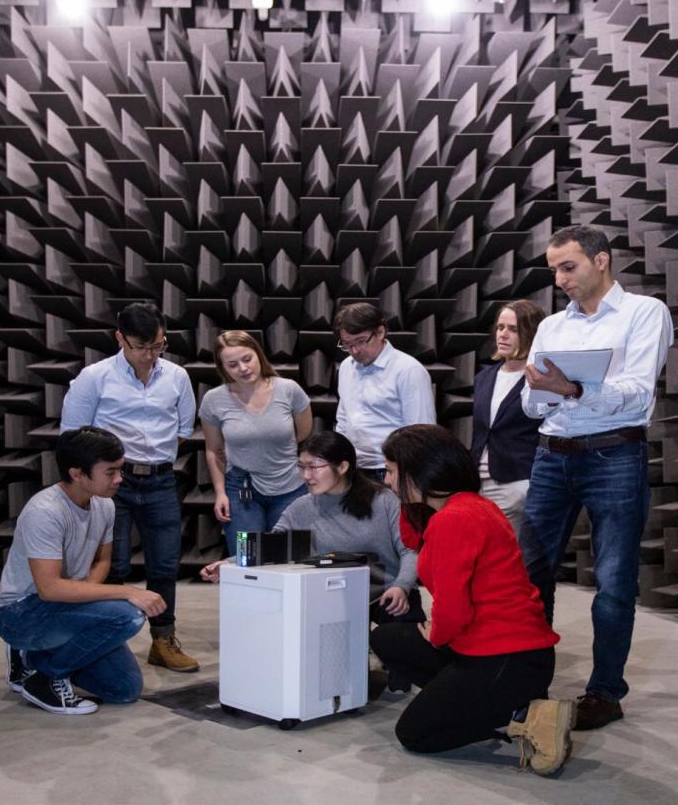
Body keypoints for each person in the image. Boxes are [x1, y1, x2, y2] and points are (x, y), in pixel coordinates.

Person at [520, 225, 674, 730]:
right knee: (531, 574)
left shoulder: (644, 313)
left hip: (613, 457)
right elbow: (529, 401)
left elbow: (635, 391)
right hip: (551, 455)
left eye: (569, 267)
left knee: (612, 581)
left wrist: (572, 388)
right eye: (554, 270)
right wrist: (553, 390)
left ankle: (605, 692)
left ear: (601, 260)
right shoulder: (552, 326)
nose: (560, 279)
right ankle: (527, 678)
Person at [370, 424, 574, 775]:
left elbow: (453, 610)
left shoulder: (454, 520)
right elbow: (412, 538)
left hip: (506, 658)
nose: (386, 481)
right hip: (500, 651)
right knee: (386, 637)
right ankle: (479, 701)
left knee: (415, 733)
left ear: (418, 471)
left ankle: (524, 716)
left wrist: (433, 633)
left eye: (390, 471)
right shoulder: (470, 505)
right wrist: (410, 498)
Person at [60, 302, 199, 673]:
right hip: (112, 486)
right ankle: (111, 643)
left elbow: (183, 432)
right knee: (114, 565)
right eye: (141, 347)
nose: (150, 354)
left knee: (165, 564)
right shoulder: (94, 377)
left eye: (158, 345)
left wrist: (150, 459)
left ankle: (163, 640)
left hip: (161, 480)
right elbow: (72, 437)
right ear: (120, 338)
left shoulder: (177, 377)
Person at [0, 427, 167, 715]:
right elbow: (49, 589)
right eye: (110, 472)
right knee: (128, 616)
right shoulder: (45, 511)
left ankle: (37, 658)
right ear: (77, 474)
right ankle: (45, 676)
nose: (119, 479)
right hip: (20, 613)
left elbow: (101, 562)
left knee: (124, 690)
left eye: (119, 470)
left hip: (61, 607)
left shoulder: (105, 505)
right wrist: (129, 592)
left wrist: (92, 598)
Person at [200, 431, 424, 627]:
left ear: (343, 467)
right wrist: (229, 563)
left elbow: (409, 550)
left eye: (314, 467)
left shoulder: (383, 500)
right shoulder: (301, 507)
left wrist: (402, 586)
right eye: (301, 467)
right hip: (336, 597)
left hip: (388, 592)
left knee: (398, 641)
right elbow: (270, 544)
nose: (306, 476)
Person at [200, 331, 312, 556]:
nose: (242, 368)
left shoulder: (289, 389)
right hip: (242, 492)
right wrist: (220, 493)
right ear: (223, 368)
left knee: (289, 562)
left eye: (247, 359)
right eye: (232, 364)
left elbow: (303, 433)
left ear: (258, 355)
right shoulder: (213, 399)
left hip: (291, 489)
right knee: (246, 559)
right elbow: (213, 451)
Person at [334, 302, 435, 481]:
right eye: (347, 344)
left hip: (391, 471)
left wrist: (403, 474)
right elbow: (344, 419)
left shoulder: (408, 370)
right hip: (355, 469)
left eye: (361, 341)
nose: (355, 350)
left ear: (380, 332)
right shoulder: (346, 368)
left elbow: (421, 432)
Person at [470, 300, 547, 532]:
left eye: (513, 329)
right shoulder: (485, 377)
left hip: (516, 482)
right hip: (478, 482)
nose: (503, 335)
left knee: (509, 559)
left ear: (531, 334)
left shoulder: (542, 379)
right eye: (500, 327)